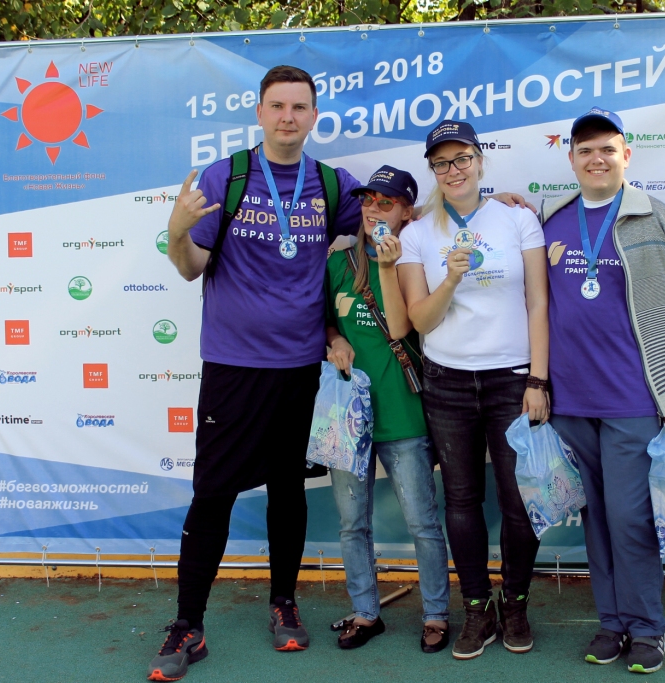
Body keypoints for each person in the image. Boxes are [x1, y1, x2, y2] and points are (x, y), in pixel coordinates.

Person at [147, 65, 365, 682]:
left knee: (287, 491)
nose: (287, 117)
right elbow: (190, 267)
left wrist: (495, 203)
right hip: (233, 367)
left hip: (299, 369)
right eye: (277, 106)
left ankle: (283, 603)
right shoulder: (227, 176)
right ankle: (188, 624)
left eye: (299, 107)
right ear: (260, 112)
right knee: (213, 493)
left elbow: (389, 224)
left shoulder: (332, 184)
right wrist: (176, 230)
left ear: (313, 116)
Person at [539, 107, 665, 675]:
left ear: (626, 155)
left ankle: (647, 628)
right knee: (595, 518)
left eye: (607, 149)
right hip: (569, 402)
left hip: (633, 400)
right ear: (571, 159)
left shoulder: (654, 217)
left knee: (630, 519)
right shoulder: (550, 218)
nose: (597, 159)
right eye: (585, 150)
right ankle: (611, 622)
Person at [396, 120, 550, 660]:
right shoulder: (418, 233)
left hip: (513, 380)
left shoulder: (517, 218)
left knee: (518, 501)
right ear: (433, 171)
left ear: (480, 161)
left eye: (462, 158)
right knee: (461, 500)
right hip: (448, 383)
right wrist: (451, 279)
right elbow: (420, 320)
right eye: (442, 163)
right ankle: (477, 609)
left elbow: (538, 302)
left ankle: (516, 605)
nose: (454, 170)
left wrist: (538, 378)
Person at [323, 166, 452, 652]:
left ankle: (437, 615)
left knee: (423, 523)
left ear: (407, 212)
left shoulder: (418, 259)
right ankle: (365, 612)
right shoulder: (339, 261)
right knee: (352, 525)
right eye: (367, 200)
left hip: (403, 414)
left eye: (386, 202)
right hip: (346, 417)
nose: (373, 209)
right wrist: (334, 340)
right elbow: (321, 321)